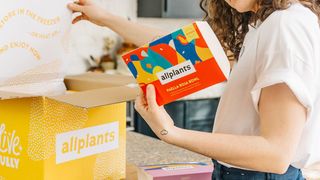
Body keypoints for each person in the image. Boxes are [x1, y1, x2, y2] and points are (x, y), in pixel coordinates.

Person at [68, 0, 320, 179]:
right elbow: (181, 47)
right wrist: (107, 19)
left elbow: (275, 155)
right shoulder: (267, 22)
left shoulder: (285, 25)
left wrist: (171, 132)